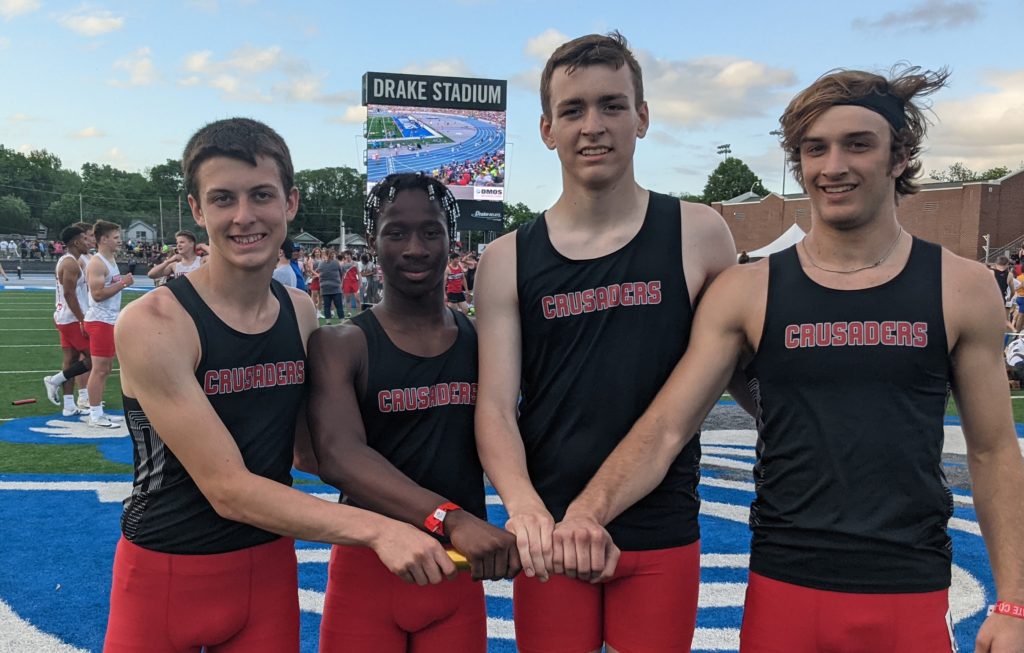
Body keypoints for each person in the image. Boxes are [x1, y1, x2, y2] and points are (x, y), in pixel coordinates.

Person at [554, 66, 1024, 652]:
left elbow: (992, 450)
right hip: (785, 587)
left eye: (858, 144)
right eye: (815, 149)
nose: (833, 166)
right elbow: (668, 425)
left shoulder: (963, 287)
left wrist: (1014, 602)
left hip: (909, 586)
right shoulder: (746, 291)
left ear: (900, 156)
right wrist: (587, 511)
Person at [103, 118, 458, 653]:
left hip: (267, 574)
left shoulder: (298, 310)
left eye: (261, 195)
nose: (244, 216)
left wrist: (432, 468)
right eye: (223, 198)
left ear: (290, 202)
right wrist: (380, 528)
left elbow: (309, 452)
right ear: (197, 210)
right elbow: (228, 489)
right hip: (164, 575)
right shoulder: (155, 322)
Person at [473, 32, 738, 653]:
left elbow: (741, 373)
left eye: (612, 105)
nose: (593, 126)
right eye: (573, 110)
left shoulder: (699, 233)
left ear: (641, 117)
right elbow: (495, 407)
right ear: (547, 129)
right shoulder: (507, 258)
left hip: (660, 526)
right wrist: (525, 507)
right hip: (553, 532)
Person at [306, 173, 520, 652]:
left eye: (430, 232)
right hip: (369, 572)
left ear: (452, 240)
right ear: (372, 243)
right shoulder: (341, 344)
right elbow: (339, 456)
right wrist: (452, 520)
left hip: (457, 574)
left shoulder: (484, 341)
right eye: (396, 233)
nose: (415, 249)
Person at [83, 219, 132, 428]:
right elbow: (97, 294)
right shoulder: (97, 262)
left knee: (106, 368)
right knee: (100, 370)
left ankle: (98, 411)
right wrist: (123, 283)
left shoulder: (110, 259)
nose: (119, 241)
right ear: (103, 239)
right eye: (115, 237)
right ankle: (95, 414)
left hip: (109, 320)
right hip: (100, 320)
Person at [43, 225, 93, 416]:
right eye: (85, 239)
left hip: (66, 317)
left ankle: (69, 405)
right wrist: (82, 320)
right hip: (71, 319)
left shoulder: (73, 261)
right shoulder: (70, 263)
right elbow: (69, 293)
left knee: (71, 361)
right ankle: (54, 380)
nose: (88, 242)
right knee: (95, 359)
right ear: (76, 242)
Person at [319, 249, 344, 322]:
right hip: (336, 287)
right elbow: (341, 273)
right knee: (339, 306)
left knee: (327, 306)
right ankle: (342, 321)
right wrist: (340, 282)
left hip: (324, 287)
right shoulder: (336, 262)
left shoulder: (321, 264)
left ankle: (328, 322)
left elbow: (320, 275)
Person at [341, 250, 361, 317]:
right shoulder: (343, 264)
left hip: (354, 282)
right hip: (346, 282)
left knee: (358, 299)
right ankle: (349, 313)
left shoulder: (355, 263)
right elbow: (342, 275)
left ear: (351, 255)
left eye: (348, 254)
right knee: (347, 299)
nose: (347, 256)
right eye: (346, 255)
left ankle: (359, 313)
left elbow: (358, 273)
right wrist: (341, 284)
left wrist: (360, 282)